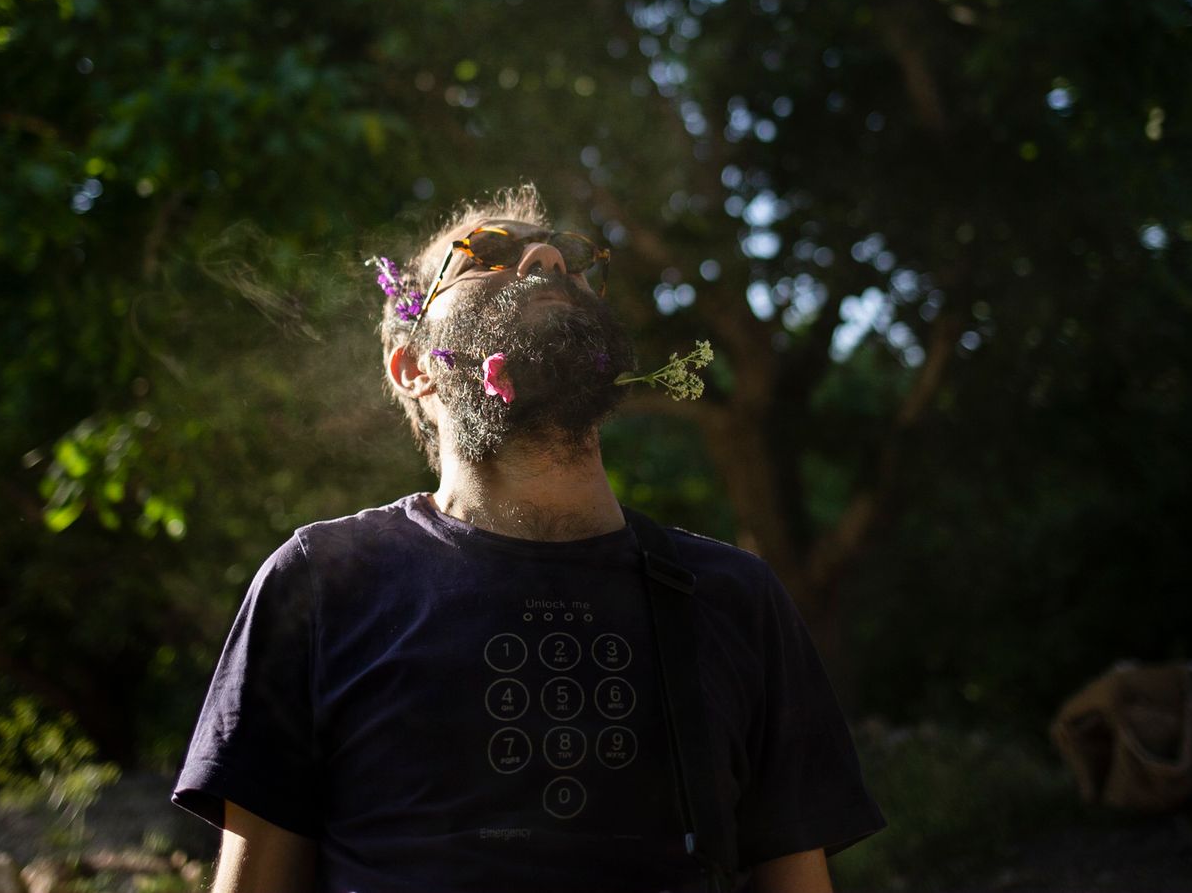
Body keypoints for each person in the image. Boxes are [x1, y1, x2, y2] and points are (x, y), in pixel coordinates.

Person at [172, 186, 884, 893]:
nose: (548, 257)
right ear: (413, 366)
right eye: (485, 255)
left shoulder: (735, 596)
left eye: (576, 261)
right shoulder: (324, 579)